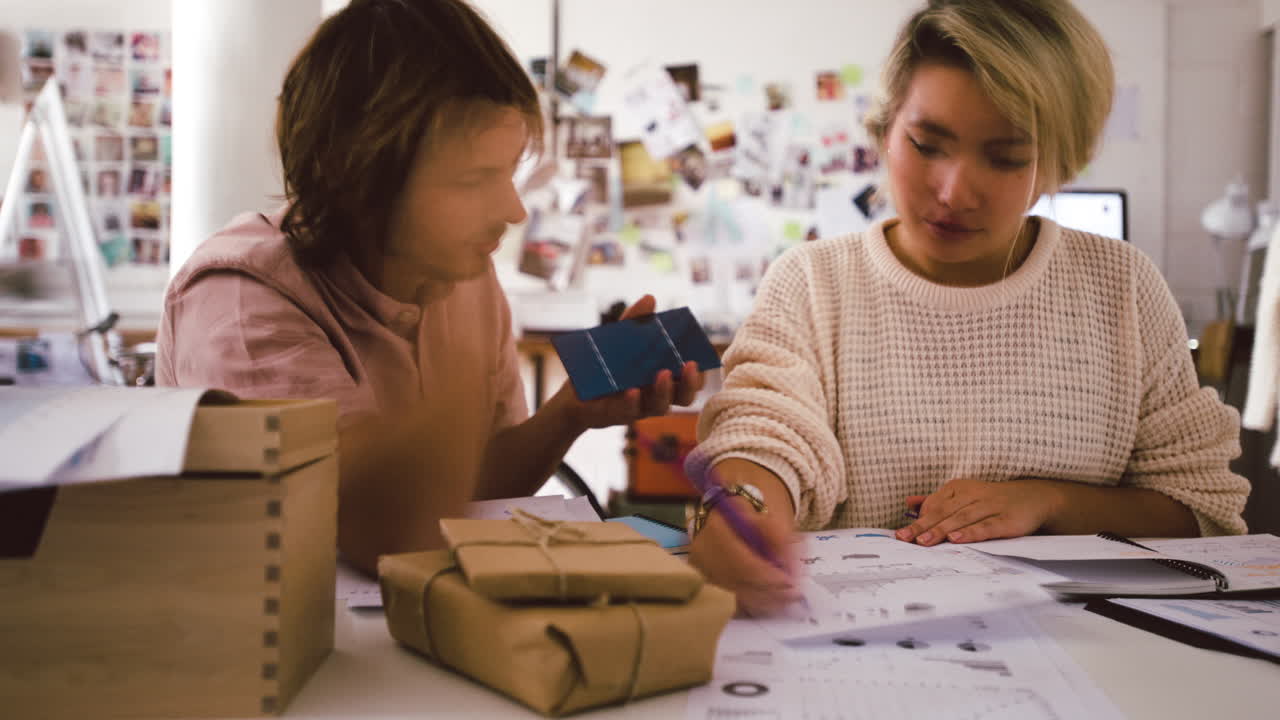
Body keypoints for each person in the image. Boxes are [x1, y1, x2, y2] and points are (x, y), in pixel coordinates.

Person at [685, 0, 1250, 614]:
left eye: (1006, 158)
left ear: (1060, 164)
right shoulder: (813, 282)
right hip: (861, 642)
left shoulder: (1122, 288)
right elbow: (767, 434)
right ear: (885, 130)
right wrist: (742, 509)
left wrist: (1049, 501)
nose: (954, 192)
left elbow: (1199, 507)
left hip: (1087, 648)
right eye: (927, 145)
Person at [156, 0, 704, 575]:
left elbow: (472, 493)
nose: (513, 210)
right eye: (474, 179)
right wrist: (455, 399)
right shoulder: (242, 303)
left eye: (508, 172)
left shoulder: (464, 279)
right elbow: (373, 529)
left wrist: (569, 413)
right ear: (360, 178)